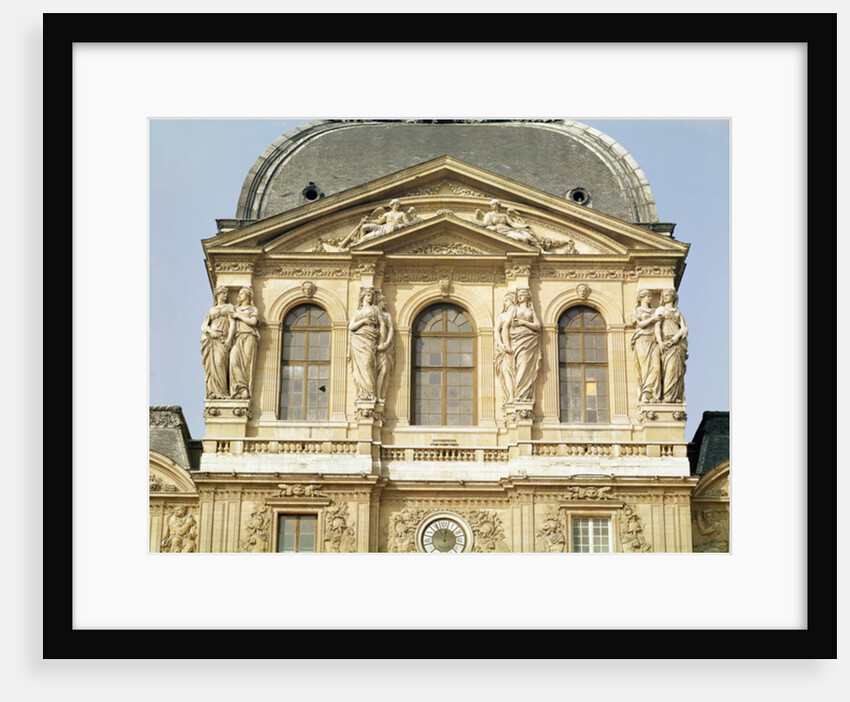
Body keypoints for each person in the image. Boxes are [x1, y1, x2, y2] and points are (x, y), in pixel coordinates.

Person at [347, 287, 382, 401]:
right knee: (362, 366)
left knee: (368, 364)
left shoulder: (375, 309)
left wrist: (382, 342)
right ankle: (364, 394)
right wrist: (363, 321)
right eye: (368, 295)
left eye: (371, 295)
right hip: (358, 339)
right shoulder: (358, 312)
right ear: (362, 297)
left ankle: (370, 393)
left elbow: (381, 323)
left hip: (370, 339)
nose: (370, 297)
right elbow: (351, 326)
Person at [340, 198, 420, 248]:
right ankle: (360, 246)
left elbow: (407, 224)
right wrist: (368, 221)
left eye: (398, 204)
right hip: (383, 228)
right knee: (364, 227)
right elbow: (379, 222)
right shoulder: (387, 214)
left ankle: (356, 246)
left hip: (390, 230)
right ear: (392, 205)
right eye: (396, 204)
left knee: (366, 238)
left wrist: (401, 225)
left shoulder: (401, 214)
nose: (398, 206)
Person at [654, 288, 688, 402]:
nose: (665, 297)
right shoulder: (661, 309)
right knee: (668, 369)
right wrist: (660, 341)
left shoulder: (678, 313)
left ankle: (672, 396)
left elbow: (684, 328)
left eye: (667, 295)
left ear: (673, 297)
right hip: (665, 343)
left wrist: (675, 338)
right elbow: (657, 326)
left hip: (675, 343)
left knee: (675, 370)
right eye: (664, 295)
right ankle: (667, 395)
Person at [509, 288, 542, 403]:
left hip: (530, 340)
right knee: (520, 365)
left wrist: (523, 322)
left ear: (527, 297)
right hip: (517, 339)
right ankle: (518, 393)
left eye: (522, 295)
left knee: (526, 365)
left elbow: (537, 326)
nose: (519, 297)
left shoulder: (531, 311)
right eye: (518, 295)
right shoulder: (514, 309)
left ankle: (523, 394)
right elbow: (507, 324)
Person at [200, 286, 234, 399]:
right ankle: (214, 392)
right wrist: (211, 332)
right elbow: (204, 326)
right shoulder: (212, 310)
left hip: (223, 339)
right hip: (212, 339)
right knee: (213, 365)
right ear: (217, 295)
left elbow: (232, 324)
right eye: (223, 293)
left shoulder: (229, 307)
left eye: (226, 293)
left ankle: (223, 391)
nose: (225, 295)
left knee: (220, 364)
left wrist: (229, 339)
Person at [227, 286, 260, 399]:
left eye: (241, 293)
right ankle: (240, 388)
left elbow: (253, 322)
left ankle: (245, 390)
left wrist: (238, 316)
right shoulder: (235, 309)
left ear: (248, 296)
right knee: (233, 361)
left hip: (249, 336)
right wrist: (228, 339)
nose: (239, 295)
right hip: (237, 338)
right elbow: (231, 325)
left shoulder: (252, 309)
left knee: (246, 364)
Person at [630, 288, 662, 403]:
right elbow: (639, 324)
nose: (650, 298)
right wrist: (652, 319)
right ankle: (645, 393)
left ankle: (652, 393)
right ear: (641, 298)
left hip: (654, 340)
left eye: (650, 296)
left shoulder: (655, 310)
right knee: (645, 368)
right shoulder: (637, 310)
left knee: (656, 367)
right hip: (642, 339)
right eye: (648, 296)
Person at [475, 199, 541, 247]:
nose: (491, 206)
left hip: (509, 230)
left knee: (526, 238)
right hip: (501, 232)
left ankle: (539, 250)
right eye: (491, 205)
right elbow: (486, 224)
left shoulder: (504, 215)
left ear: (497, 205)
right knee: (523, 239)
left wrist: (523, 226)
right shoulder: (489, 215)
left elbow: (512, 224)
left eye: (492, 204)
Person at [493, 292, 517, 406]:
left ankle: (517, 396)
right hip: (505, 347)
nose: (505, 303)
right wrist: (501, 344)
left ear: (512, 301)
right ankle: (511, 396)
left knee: (516, 372)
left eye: (507, 300)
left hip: (517, 345)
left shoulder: (517, 313)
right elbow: (497, 331)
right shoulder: (501, 316)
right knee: (507, 372)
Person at [375, 292, 396, 404]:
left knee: (383, 371)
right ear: (378, 301)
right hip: (374, 347)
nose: (385, 303)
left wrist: (387, 343)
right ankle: (375, 396)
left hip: (384, 348)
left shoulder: (387, 315)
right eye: (383, 301)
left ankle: (379, 395)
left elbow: (391, 329)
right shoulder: (373, 314)